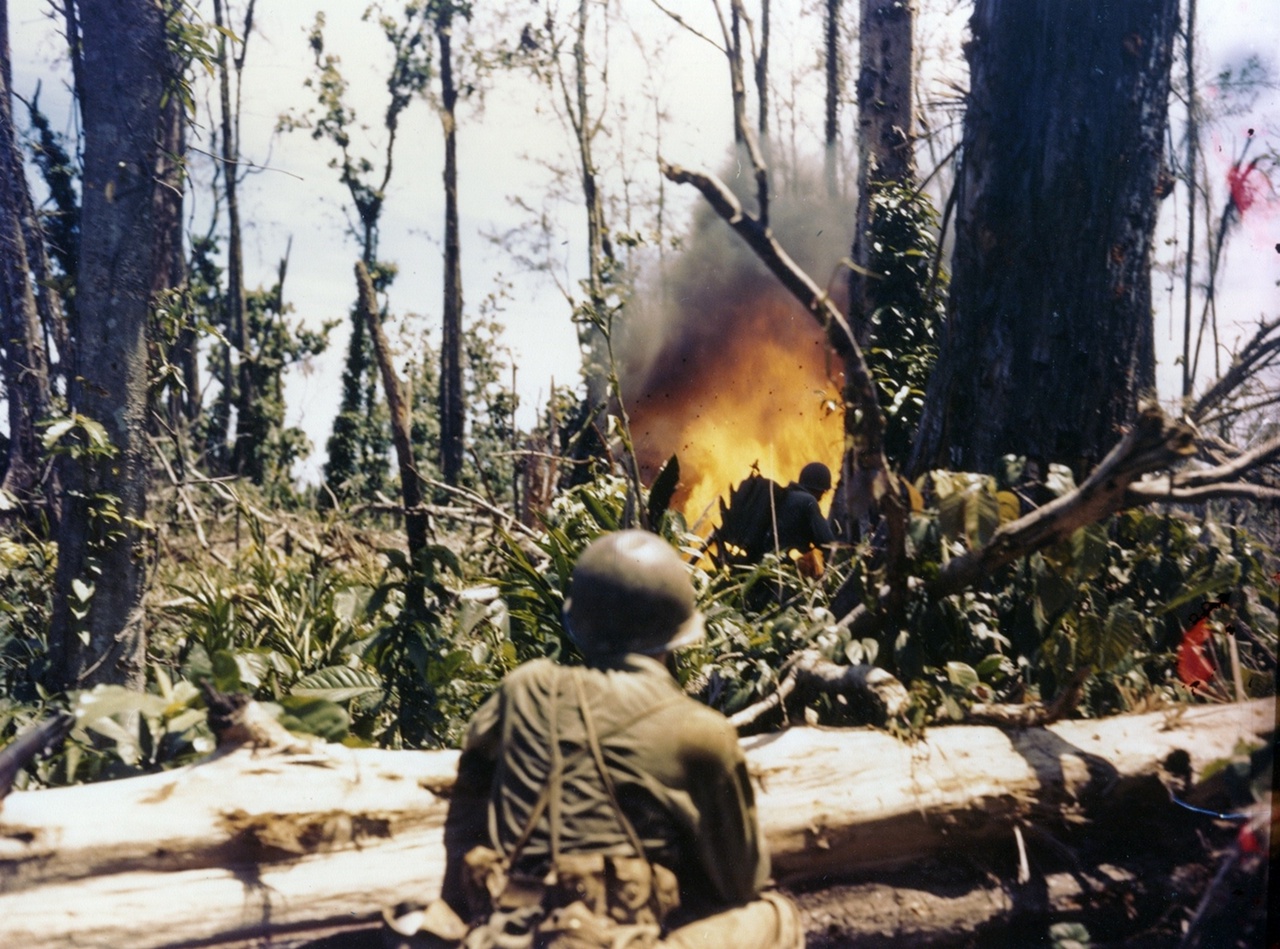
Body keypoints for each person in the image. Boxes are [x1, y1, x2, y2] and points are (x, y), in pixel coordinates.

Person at [419, 530, 803, 949]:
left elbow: (467, 811)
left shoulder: (522, 689)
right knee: (775, 916)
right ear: (680, 632)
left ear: (578, 624)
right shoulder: (701, 731)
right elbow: (740, 881)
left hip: (510, 937)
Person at [771, 463, 836, 577]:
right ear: (819, 490)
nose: (821, 498)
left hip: (770, 562)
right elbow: (827, 542)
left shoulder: (787, 494)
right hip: (788, 568)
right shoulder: (808, 501)